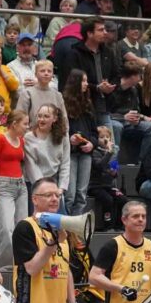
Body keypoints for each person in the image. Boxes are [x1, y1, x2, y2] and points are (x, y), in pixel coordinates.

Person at [25, 104, 71, 212]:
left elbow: (65, 163)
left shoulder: (63, 136)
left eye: (46, 116)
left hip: (54, 182)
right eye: (39, 116)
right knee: (38, 218)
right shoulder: (29, 137)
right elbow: (31, 166)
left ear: (54, 118)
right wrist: (45, 189)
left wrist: (61, 188)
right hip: (35, 184)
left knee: (59, 219)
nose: (41, 119)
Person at [63, 69, 95, 216]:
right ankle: (67, 222)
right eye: (83, 81)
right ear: (75, 82)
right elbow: (60, 129)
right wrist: (70, 139)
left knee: (82, 193)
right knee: (70, 193)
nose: (86, 84)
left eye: (86, 81)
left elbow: (94, 132)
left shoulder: (88, 104)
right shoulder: (64, 103)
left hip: (86, 153)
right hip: (70, 153)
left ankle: (76, 223)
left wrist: (92, 144)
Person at [87, 126, 128, 230]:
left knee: (122, 199)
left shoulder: (113, 153)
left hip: (108, 186)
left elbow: (115, 171)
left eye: (107, 137)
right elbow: (100, 166)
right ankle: (107, 225)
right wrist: (109, 153)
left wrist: (114, 172)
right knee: (107, 199)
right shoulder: (94, 152)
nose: (105, 139)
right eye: (101, 137)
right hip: (96, 186)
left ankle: (119, 225)